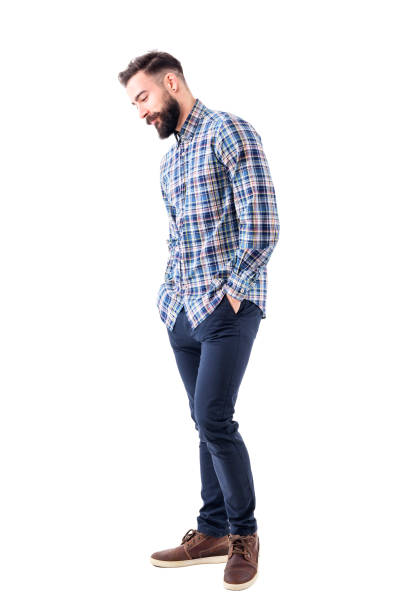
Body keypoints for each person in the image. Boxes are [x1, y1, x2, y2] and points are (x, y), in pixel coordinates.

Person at [118, 50, 280, 591]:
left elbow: (263, 223)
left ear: (171, 82)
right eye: (133, 103)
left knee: (214, 415)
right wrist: (168, 302)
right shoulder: (170, 161)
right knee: (201, 419)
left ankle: (244, 534)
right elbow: (178, 240)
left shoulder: (229, 131)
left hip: (228, 307)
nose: (140, 111)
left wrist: (231, 294)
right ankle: (211, 531)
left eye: (143, 96)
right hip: (182, 311)